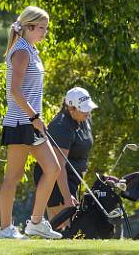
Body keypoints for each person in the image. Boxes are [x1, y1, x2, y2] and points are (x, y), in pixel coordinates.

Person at [0, 5, 62, 239]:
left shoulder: (31, 49)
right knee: (13, 177)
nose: (44, 33)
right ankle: (5, 229)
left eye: (46, 28)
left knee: (53, 168)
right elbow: (14, 90)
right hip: (20, 123)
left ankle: (35, 223)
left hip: (31, 122)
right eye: (41, 28)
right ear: (29, 27)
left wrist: (35, 118)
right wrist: (34, 117)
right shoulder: (21, 51)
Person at [34, 87, 98, 222]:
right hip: (55, 182)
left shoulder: (84, 119)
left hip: (72, 180)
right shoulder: (61, 125)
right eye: (84, 109)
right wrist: (67, 197)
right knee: (63, 227)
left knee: (73, 228)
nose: (88, 112)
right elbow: (59, 166)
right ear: (71, 108)